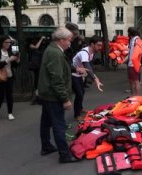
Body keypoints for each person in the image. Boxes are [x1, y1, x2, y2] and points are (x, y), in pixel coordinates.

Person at [38, 27, 78, 163]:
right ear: (61, 40)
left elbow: (55, 72)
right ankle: (64, 155)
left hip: (47, 94)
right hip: (53, 96)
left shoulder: (51, 49)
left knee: (46, 122)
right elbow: (56, 79)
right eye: (69, 40)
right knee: (59, 125)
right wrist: (65, 99)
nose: (69, 43)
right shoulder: (56, 53)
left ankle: (46, 146)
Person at [71, 35, 104, 121]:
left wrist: (96, 77)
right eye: (98, 45)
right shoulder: (84, 53)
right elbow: (87, 67)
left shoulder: (91, 53)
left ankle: (80, 109)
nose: (100, 47)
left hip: (80, 75)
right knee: (79, 94)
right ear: (92, 44)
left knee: (82, 92)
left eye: (101, 45)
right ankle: (77, 115)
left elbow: (89, 68)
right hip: (73, 74)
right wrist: (95, 80)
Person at [0, 35, 20, 122]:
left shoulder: (10, 52)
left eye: (9, 42)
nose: (8, 44)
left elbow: (14, 65)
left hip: (9, 77)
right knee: (0, 97)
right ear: (2, 43)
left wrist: (17, 61)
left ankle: (10, 113)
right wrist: (8, 60)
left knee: (9, 96)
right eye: (6, 42)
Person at [28, 36, 46, 105]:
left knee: (39, 81)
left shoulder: (41, 48)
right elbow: (36, 47)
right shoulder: (30, 45)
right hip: (34, 67)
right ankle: (36, 97)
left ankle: (38, 97)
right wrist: (41, 39)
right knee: (36, 82)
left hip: (39, 66)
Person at [127, 27, 142, 96]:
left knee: (136, 81)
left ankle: (136, 97)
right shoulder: (136, 40)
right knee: (132, 81)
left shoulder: (135, 40)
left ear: (130, 33)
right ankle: (134, 96)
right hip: (134, 63)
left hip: (133, 64)